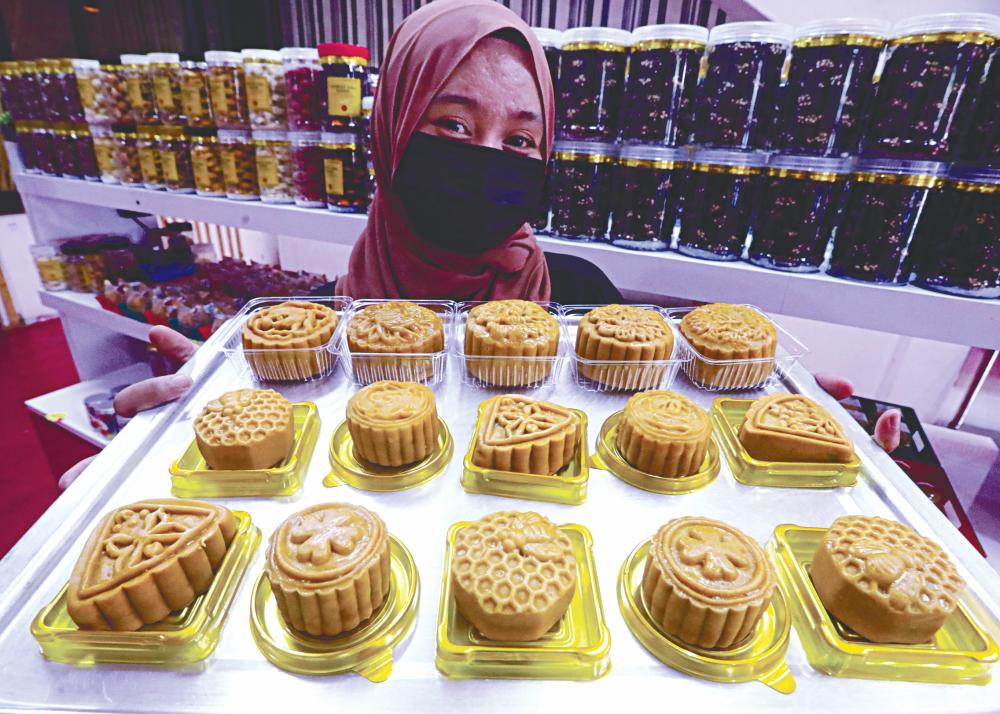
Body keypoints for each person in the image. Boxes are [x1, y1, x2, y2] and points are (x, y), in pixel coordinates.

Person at [58, 0, 899, 487]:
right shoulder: (310, 331)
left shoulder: (583, 293)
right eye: (452, 124)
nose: (487, 161)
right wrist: (204, 411)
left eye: (521, 141)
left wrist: (764, 411)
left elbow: (655, 417)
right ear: (389, 136)